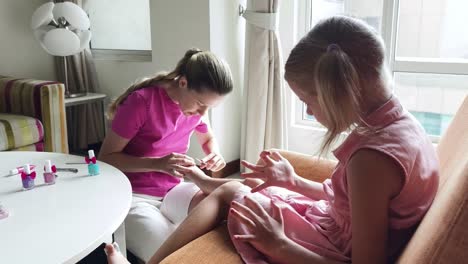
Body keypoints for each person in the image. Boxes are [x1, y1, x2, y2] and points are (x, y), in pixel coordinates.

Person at [107, 16, 439, 264]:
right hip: (331, 224)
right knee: (238, 190)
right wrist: (294, 181)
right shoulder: (402, 127)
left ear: (338, 88)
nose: (308, 112)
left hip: (331, 246)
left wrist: (279, 244)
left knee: (232, 191)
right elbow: (350, 202)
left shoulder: (371, 159)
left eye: (309, 100)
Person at [99, 48, 241, 262]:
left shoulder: (195, 108)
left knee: (223, 214)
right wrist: (158, 163)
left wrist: (214, 153)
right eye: (201, 104)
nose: (203, 114)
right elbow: (107, 158)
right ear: (183, 83)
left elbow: (208, 138)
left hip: (173, 188)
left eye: (209, 108)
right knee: (172, 255)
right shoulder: (141, 102)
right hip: (134, 195)